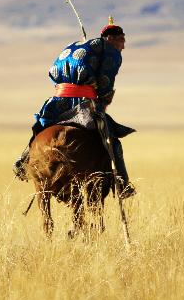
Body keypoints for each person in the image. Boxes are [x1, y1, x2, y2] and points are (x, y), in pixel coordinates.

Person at [13, 16, 136, 199]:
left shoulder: (81, 46)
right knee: (111, 140)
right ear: (111, 38)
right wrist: (103, 101)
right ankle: (122, 183)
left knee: (41, 127)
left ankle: (24, 161)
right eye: (121, 40)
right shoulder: (111, 52)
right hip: (82, 103)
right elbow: (105, 82)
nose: (123, 46)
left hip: (57, 101)